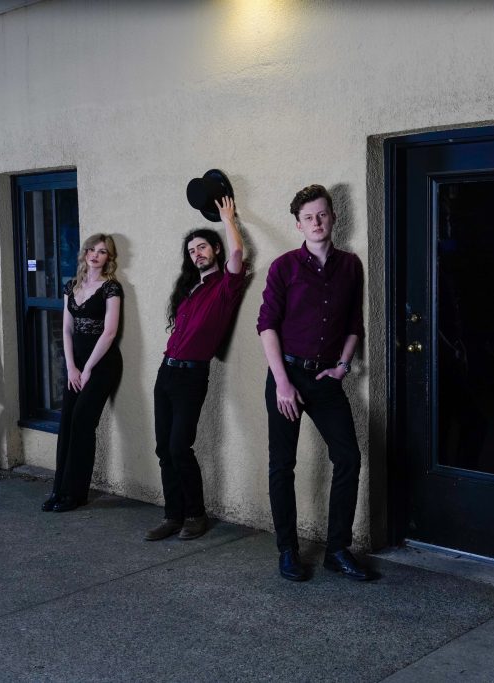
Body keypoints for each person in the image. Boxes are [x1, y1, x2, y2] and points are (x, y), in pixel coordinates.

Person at [256, 184, 373, 582]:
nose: (316, 222)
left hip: (325, 379)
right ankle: (287, 550)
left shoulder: (350, 266)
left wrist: (342, 366)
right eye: (308, 217)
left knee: (349, 458)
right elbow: (266, 326)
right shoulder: (284, 267)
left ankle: (337, 550)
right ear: (298, 225)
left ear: (333, 217)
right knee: (282, 465)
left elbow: (354, 323)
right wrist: (282, 383)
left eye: (322, 214)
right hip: (286, 376)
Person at [145, 197, 247, 542]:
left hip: (192, 376)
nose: (197, 254)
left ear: (215, 249)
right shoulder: (190, 288)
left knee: (179, 447)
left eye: (202, 247)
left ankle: (195, 515)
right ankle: (172, 516)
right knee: (163, 449)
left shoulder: (225, 286)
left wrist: (227, 218)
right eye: (191, 251)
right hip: (166, 372)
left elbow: (237, 253)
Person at [42, 234, 123, 513]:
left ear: (109, 257)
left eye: (102, 251)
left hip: (102, 363)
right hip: (75, 363)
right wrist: (71, 367)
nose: (95, 255)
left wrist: (87, 369)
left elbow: (109, 332)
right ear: (85, 253)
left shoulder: (111, 288)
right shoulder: (72, 285)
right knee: (67, 422)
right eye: (92, 250)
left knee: (82, 423)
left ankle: (75, 494)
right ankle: (59, 490)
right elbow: (66, 328)